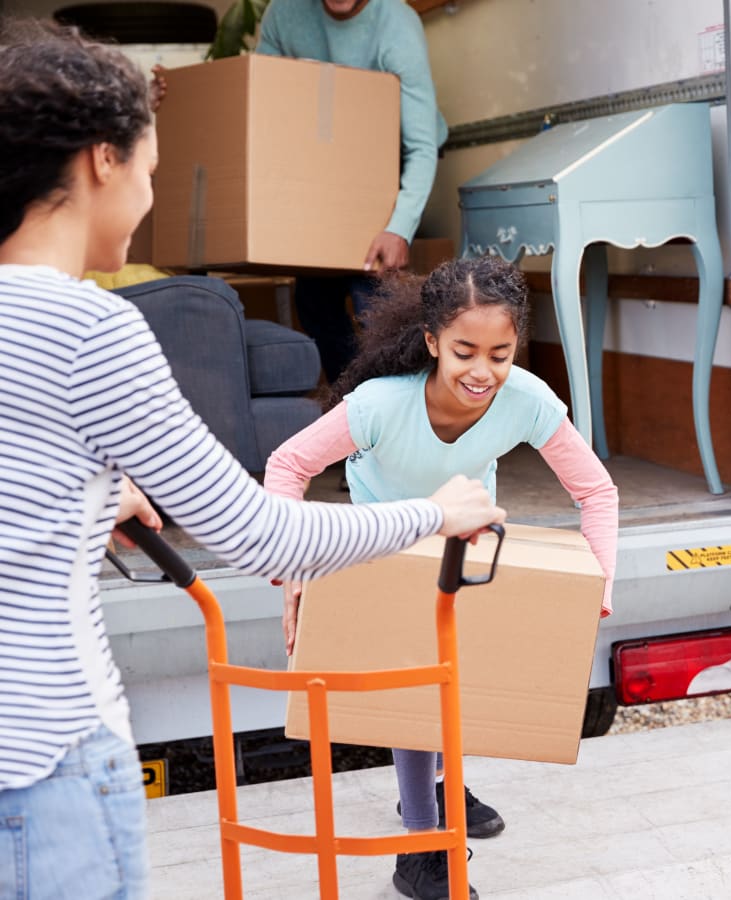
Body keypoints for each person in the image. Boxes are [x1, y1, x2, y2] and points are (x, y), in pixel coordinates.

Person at [0, 19, 506, 899]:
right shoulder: (91, 326)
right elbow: (260, 535)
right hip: (48, 762)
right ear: (99, 162)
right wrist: (438, 513)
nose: (154, 199)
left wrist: (81, 495)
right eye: (151, 172)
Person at [264, 255, 620, 900]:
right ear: (431, 342)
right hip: (384, 553)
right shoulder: (378, 404)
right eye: (464, 351)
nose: (482, 371)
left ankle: (433, 783)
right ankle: (421, 847)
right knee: (413, 693)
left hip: (463, 548)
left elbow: (596, 492)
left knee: (457, 680)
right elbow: (288, 466)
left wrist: (602, 582)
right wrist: (293, 571)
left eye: (500, 353)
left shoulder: (527, 400)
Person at [255, 0, 449, 383]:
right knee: (314, 298)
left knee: (371, 290)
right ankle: (349, 401)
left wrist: (399, 228)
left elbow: (421, 147)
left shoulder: (396, 25)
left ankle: (394, 412)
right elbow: (260, 95)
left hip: (391, 150)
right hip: (324, 154)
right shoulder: (284, 14)